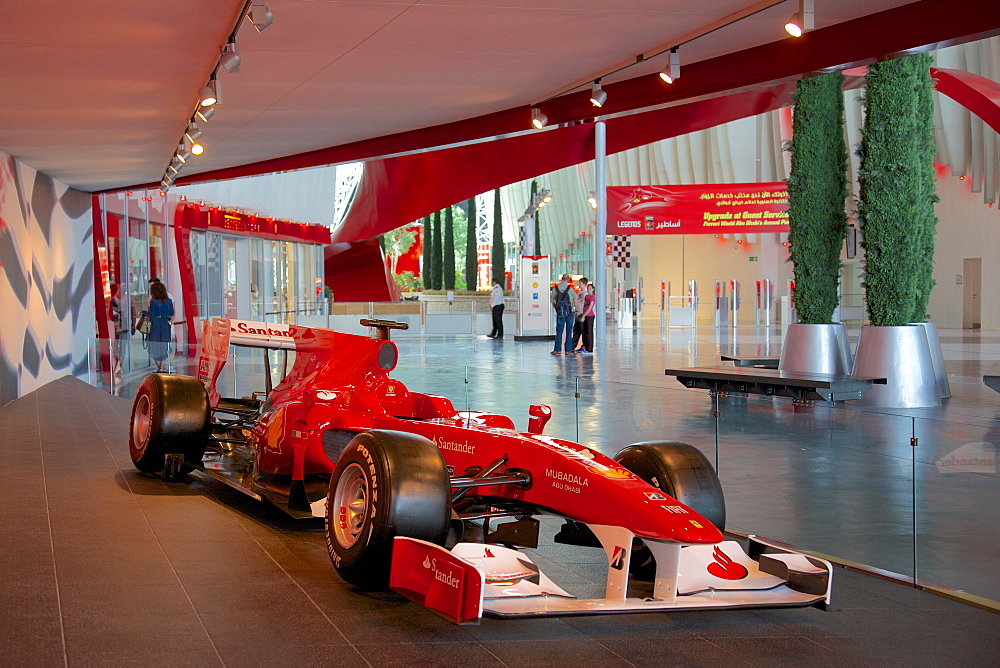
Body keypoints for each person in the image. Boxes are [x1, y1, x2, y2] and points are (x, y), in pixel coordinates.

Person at [141, 281, 174, 372]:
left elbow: (151, 314)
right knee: (164, 345)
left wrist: (143, 313)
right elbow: (171, 313)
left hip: (155, 324)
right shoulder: (169, 301)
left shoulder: (153, 301)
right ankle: (162, 367)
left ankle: (159, 367)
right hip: (165, 324)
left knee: (154, 346)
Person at [550, 274, 576, 355]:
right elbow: (575, 300)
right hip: (570, 312)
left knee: (559, 331)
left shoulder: (555, 289)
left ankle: (557, 349)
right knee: (569, 331)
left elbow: (552, 300)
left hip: (560, 312)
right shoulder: (570, 289)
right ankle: (568, 350)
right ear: (568, 280)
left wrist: (556, 308)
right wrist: (577, 310)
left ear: (561, 279)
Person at [570, 277, 590, 352]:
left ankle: (584, 346)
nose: (579, 285)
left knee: (583, 331)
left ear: (584, 284)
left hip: (582, 313)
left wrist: (583, 314)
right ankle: (572, 346)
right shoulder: (579, 293)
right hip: (578, 313)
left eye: (580, 283)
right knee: (576, 331)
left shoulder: (586, 294)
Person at [581, 282, 597, 354]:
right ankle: (585, 347)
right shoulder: (586, 296)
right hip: (585, 315)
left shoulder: (593, 297)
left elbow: (590, 308)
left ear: (593, 289)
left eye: (590, 289)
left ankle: (590, 348)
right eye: (588, 289)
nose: (589, 290)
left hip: (590, 316)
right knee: (584, 332)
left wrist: (583, 316)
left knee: (589, 332)